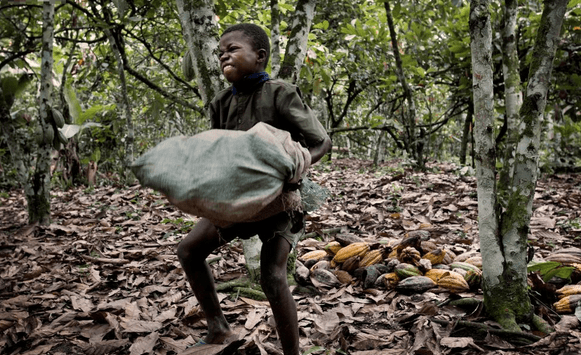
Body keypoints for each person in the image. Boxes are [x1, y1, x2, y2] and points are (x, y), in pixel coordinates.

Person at [176, 23, 332, 355]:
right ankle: (218, 327)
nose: (223, 57)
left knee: (272, 278)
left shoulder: (280, 93)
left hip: (279, 202)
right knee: (189, 250)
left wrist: (296, 168)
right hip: (237, 200)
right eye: (220, 53)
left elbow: (322, 141)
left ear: (259, 57)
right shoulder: (220, 102)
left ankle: (292, 353)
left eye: (232, 49)